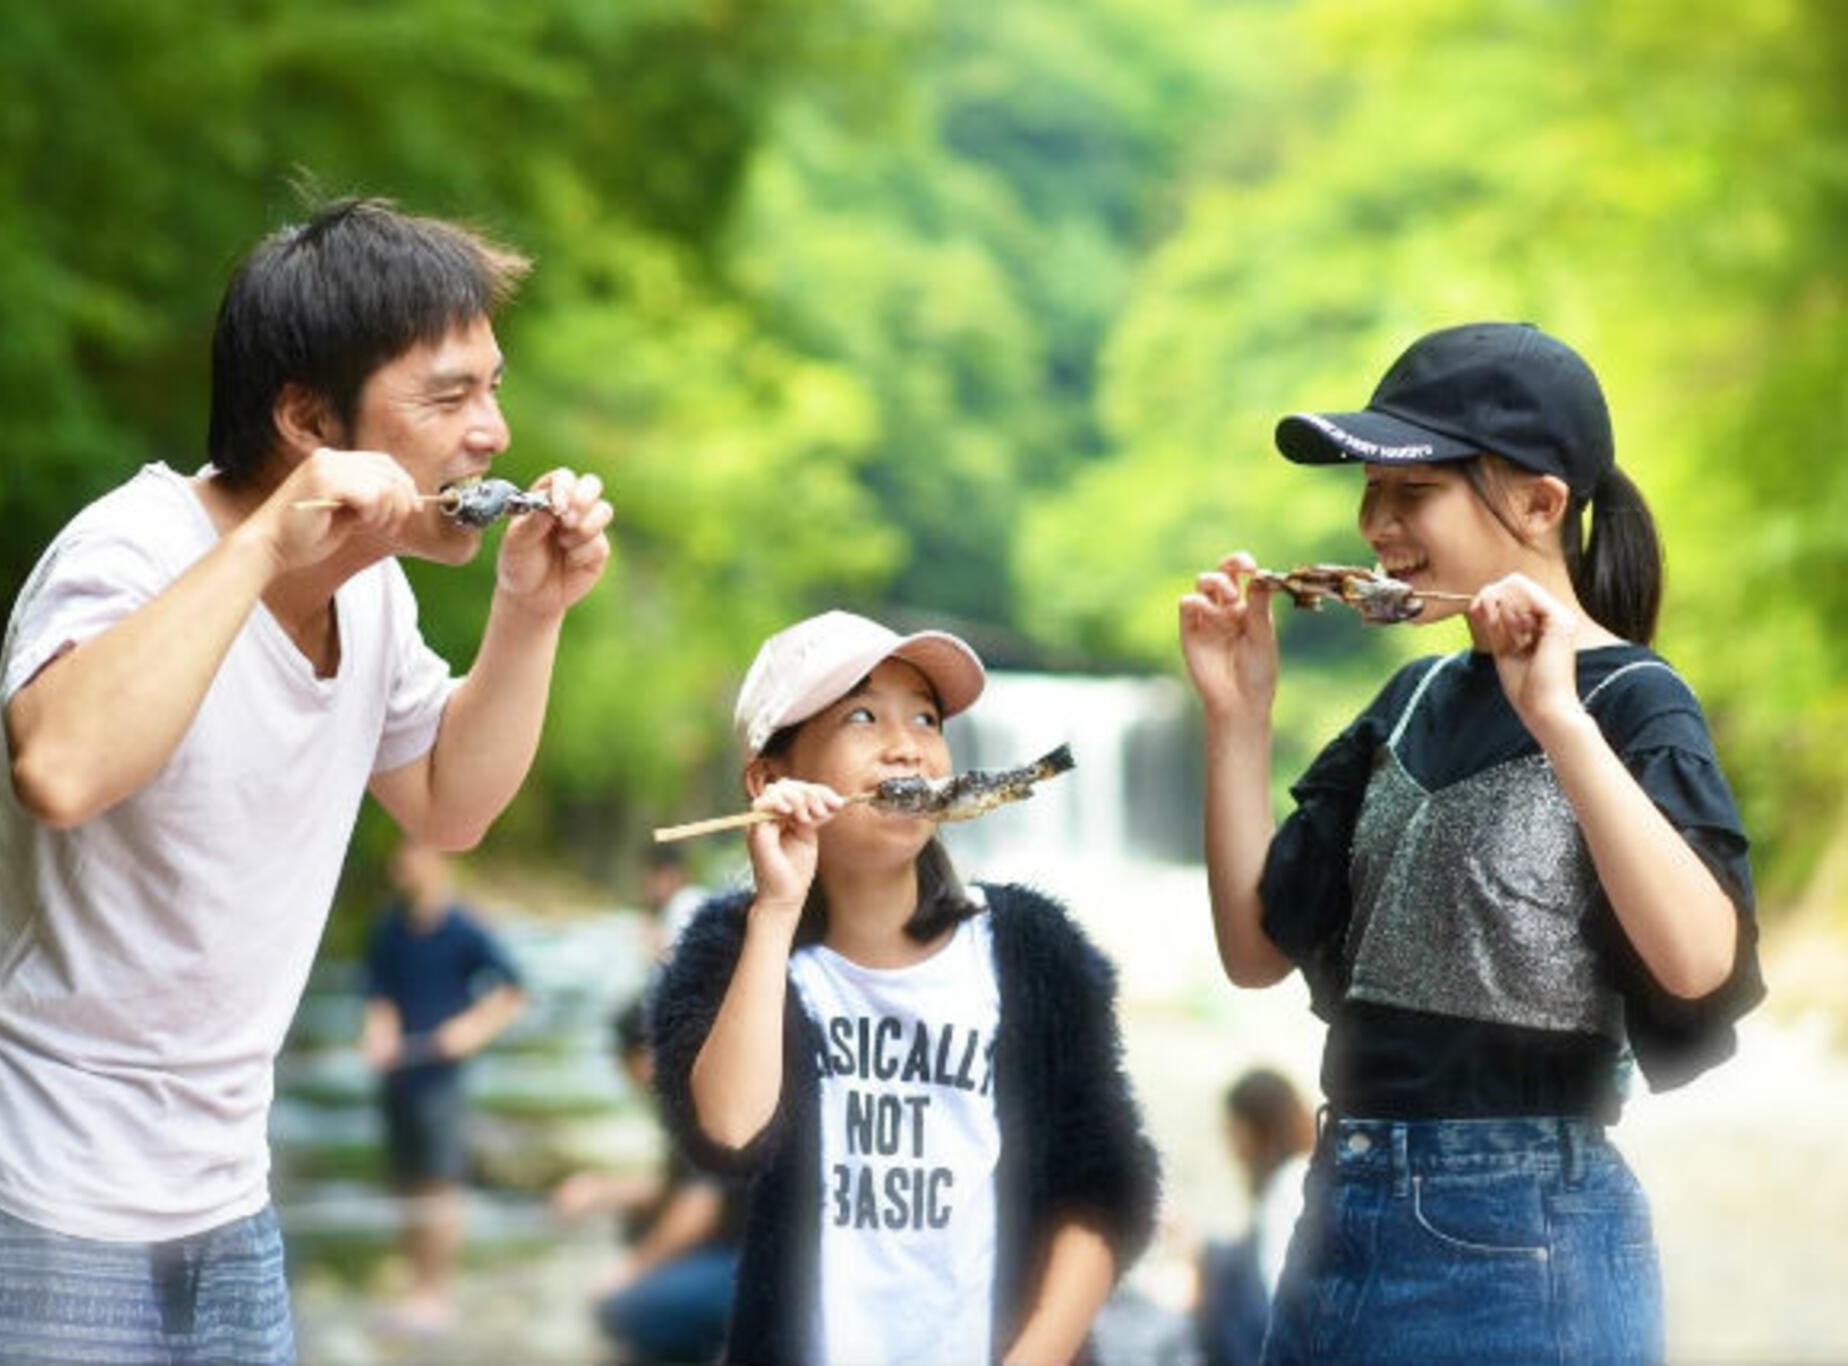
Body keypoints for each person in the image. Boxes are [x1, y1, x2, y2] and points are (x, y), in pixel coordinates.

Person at [0, 196, 613, 1365]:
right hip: (28, 1181)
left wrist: (529, 613)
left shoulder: (374, 595)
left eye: (492, 389)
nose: (492, 434)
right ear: (309, 419)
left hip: (221, 1197)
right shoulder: (131, 547)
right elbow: (61, 768)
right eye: (448, 395)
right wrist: (268, 541)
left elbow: (448, 805)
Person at [1178, 321, 1765, 1366]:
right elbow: (1254, 949)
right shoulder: (1409, 698)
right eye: (1368, 494)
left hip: (1520, 1232)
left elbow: (1698, 957)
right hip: (1337, 1206)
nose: (1374, 525)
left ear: (1540, 503)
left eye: (1410, 494)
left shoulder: (1632, 700)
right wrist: (1237, 716)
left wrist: (1556, 719)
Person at [649, 609, 1160, 1366]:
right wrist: (777, 909)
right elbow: (728, 1131)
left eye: (926, 718)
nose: (907, 748)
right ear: (769, 777)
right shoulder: (733, 944)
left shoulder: (1031, 947)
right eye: (862, 715)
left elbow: (1103, 1185)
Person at [361, 838, 528, 1335]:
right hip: (397, 1076)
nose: (405, 869)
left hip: (442, 1082)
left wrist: (471, 1031)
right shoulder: (387, 930)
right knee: (406, 1182)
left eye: (414, 858)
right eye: (401, 859)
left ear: (437, 862)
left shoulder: (464, 929)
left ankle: (437, 1293)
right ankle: (416, 1287)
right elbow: (378, 995)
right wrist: (380, 1033)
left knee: (440, 1185)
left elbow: (514, 989)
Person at [552, 995, 745, 1365]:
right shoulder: (704, 1084)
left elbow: (698, 1206)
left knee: (625, 1310)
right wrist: (601, 1190)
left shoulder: (697, 1102)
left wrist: (630, 1270)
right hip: (750, 1254)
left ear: (643, 1056)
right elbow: (681, 1186)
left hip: (751, 1264)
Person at [1193, 1068, 1313, 1366]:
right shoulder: (1299, 1176)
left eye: (1234, 1131)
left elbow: (1274, 1292)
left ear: (1256, 1128)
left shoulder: (1290, 1183)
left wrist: (1207, 1259)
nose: (1232, 1148)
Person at [643, 841, 711, 959]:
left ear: (670, 874)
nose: (648, 886)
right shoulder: (675, 905)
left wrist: (653, 943)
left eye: (651, 878)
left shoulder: (686, 901)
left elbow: (683, 958)